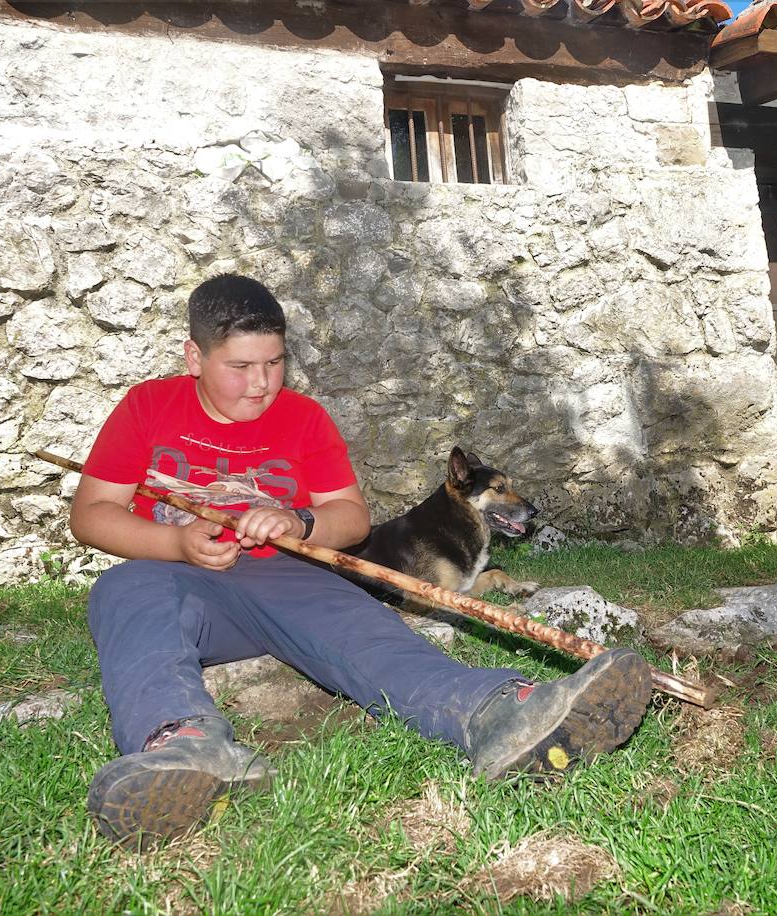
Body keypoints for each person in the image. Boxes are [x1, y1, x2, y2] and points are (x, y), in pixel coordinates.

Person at [69, 273, 653, 849]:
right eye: (241, 367)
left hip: (287, 578)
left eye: (273, 363)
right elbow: (92, 514)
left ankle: (498, 714)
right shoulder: (148, 406)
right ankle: (187, 745)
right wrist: (176, 544)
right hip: (177, 584)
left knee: (365, 633)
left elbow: (351, 519)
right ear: (194, 356)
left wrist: (299, 522)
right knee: (124, 591)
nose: (261, 384)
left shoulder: (302, 418)